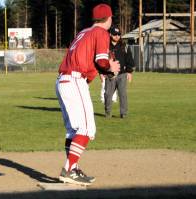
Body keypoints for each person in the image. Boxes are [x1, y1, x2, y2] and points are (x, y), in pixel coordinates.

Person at [55, 4, 120, 186]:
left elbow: (89, 60)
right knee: (86, 129)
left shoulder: (84, 32)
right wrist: (110, 67)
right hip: (75, 80)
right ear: (109, 18)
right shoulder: (101, 33)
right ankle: (69, 170)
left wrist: (104, 70)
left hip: (63, 80)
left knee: (73, 131)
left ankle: (73, 169)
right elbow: (100, 60)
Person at [104, 26, 134, 118]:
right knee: (108, 95)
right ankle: (108, 113)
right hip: (110, 75)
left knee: (123, 94)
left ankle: (123, 113)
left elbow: (129, 59)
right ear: (110, 34)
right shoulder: (105, 46)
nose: (117, 36)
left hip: (122, 75)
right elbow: (102, 60)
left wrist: (129, 72)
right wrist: (102, 73)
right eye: (115, 34)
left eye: (118, 34)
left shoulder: (124, 46)